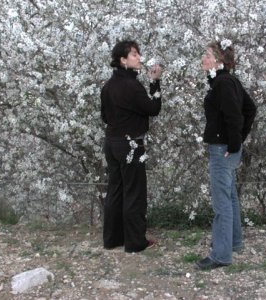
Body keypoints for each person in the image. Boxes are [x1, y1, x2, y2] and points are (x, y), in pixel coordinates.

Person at [196, 40, 257, 270]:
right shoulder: (225, 81)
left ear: (219, 60)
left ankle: (221, 255)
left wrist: (234, 142)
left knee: (222, 203)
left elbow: (237, 114)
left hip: (222, 149)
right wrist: (237, 141)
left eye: (207, 54)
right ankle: (234, 242)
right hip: (226, 148)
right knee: (229, 197)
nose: (203, 58)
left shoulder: (224, 83)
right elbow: (250, 109)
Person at [100, 40, 163, 253]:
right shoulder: (132, 86)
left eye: (138, 54)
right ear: (123, 60)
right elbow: (153, 108)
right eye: (134, 54)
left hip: (112, 143)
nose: (139, 57)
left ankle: (112, 239)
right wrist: (155, 82)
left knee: (115, 190)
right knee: (134, 193)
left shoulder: (108, 86)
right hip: (131, 145)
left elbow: (104, 116)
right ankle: (135, 242)